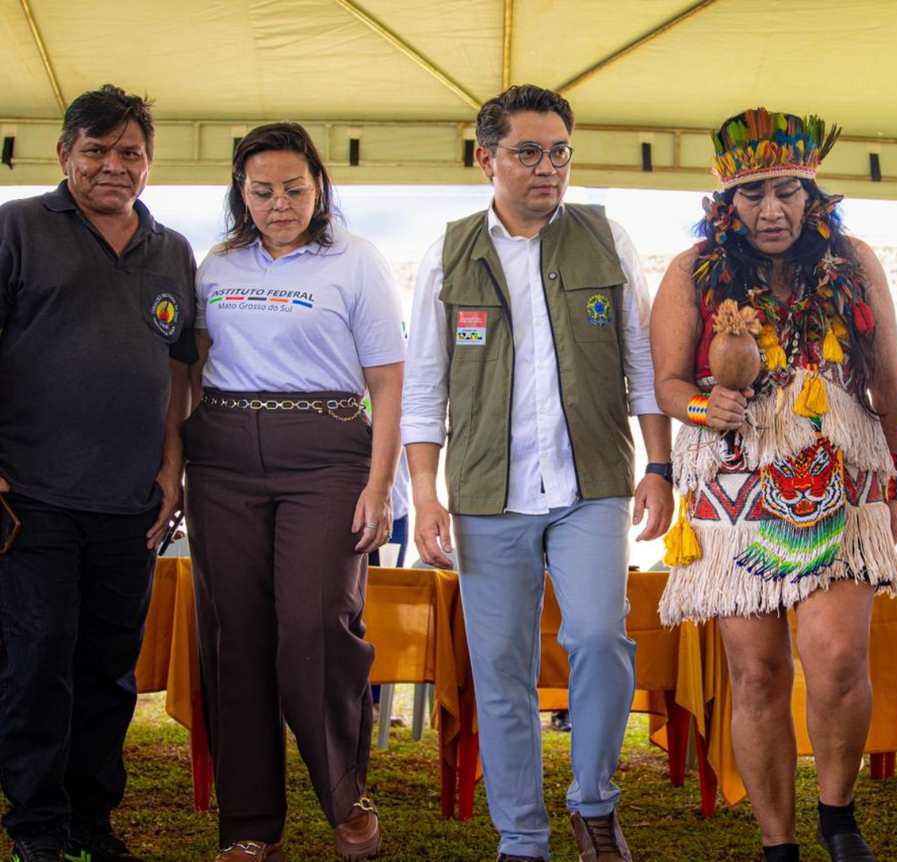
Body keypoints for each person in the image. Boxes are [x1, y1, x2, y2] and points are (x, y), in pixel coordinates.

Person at [402, 84, 673, 862]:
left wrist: (659, 465)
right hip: (488, 496)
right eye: (528, 152)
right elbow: (423, 388)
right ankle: (522, 837)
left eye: (559, 152)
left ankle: (594, 802)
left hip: (592, 483)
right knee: (502, 671)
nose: (547, 168)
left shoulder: (605, 237)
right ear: (486, 159)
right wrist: (426, 495)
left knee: (598, 636)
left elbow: (642, 366)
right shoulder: (447, 254)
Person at [651, 108, 897, 862]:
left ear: (813, 194)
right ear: (726, 202)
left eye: (789, 192)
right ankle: (778, 844)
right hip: (730, 482)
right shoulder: (690, 270)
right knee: (756, 671)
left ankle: (837, 814)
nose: (772, 210)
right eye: (754, 194)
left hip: (839, 465)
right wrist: (707, 404)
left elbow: (886, 374)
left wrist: (894, 484)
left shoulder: (853, 259)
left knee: (835, 660)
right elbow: (666, 384)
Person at [183, 122, 405, 862]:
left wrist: (381, 483)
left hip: (327, 454)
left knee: (316, 626)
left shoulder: (356, 262)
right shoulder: (216, 264)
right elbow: (191, 369)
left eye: (295, 188)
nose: (280, 203)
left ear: (320, 187)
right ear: (241, 194)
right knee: (233, 635)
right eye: (263, 191)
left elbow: (387, 380)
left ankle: (346, 799)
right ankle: (249, 828)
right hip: (220, 455)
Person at [0, 85, 195, 862]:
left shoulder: (172, 249)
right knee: (37, 660)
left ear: (148, 163)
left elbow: (181, 371)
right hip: (32, 498)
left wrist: (173, 468)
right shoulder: (16, 228)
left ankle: (92, 818)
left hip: (131, 503)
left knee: (111, 668)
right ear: (65, 154)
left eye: (130, 154)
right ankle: (37, 826)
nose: (114, 167)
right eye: (97, 151)